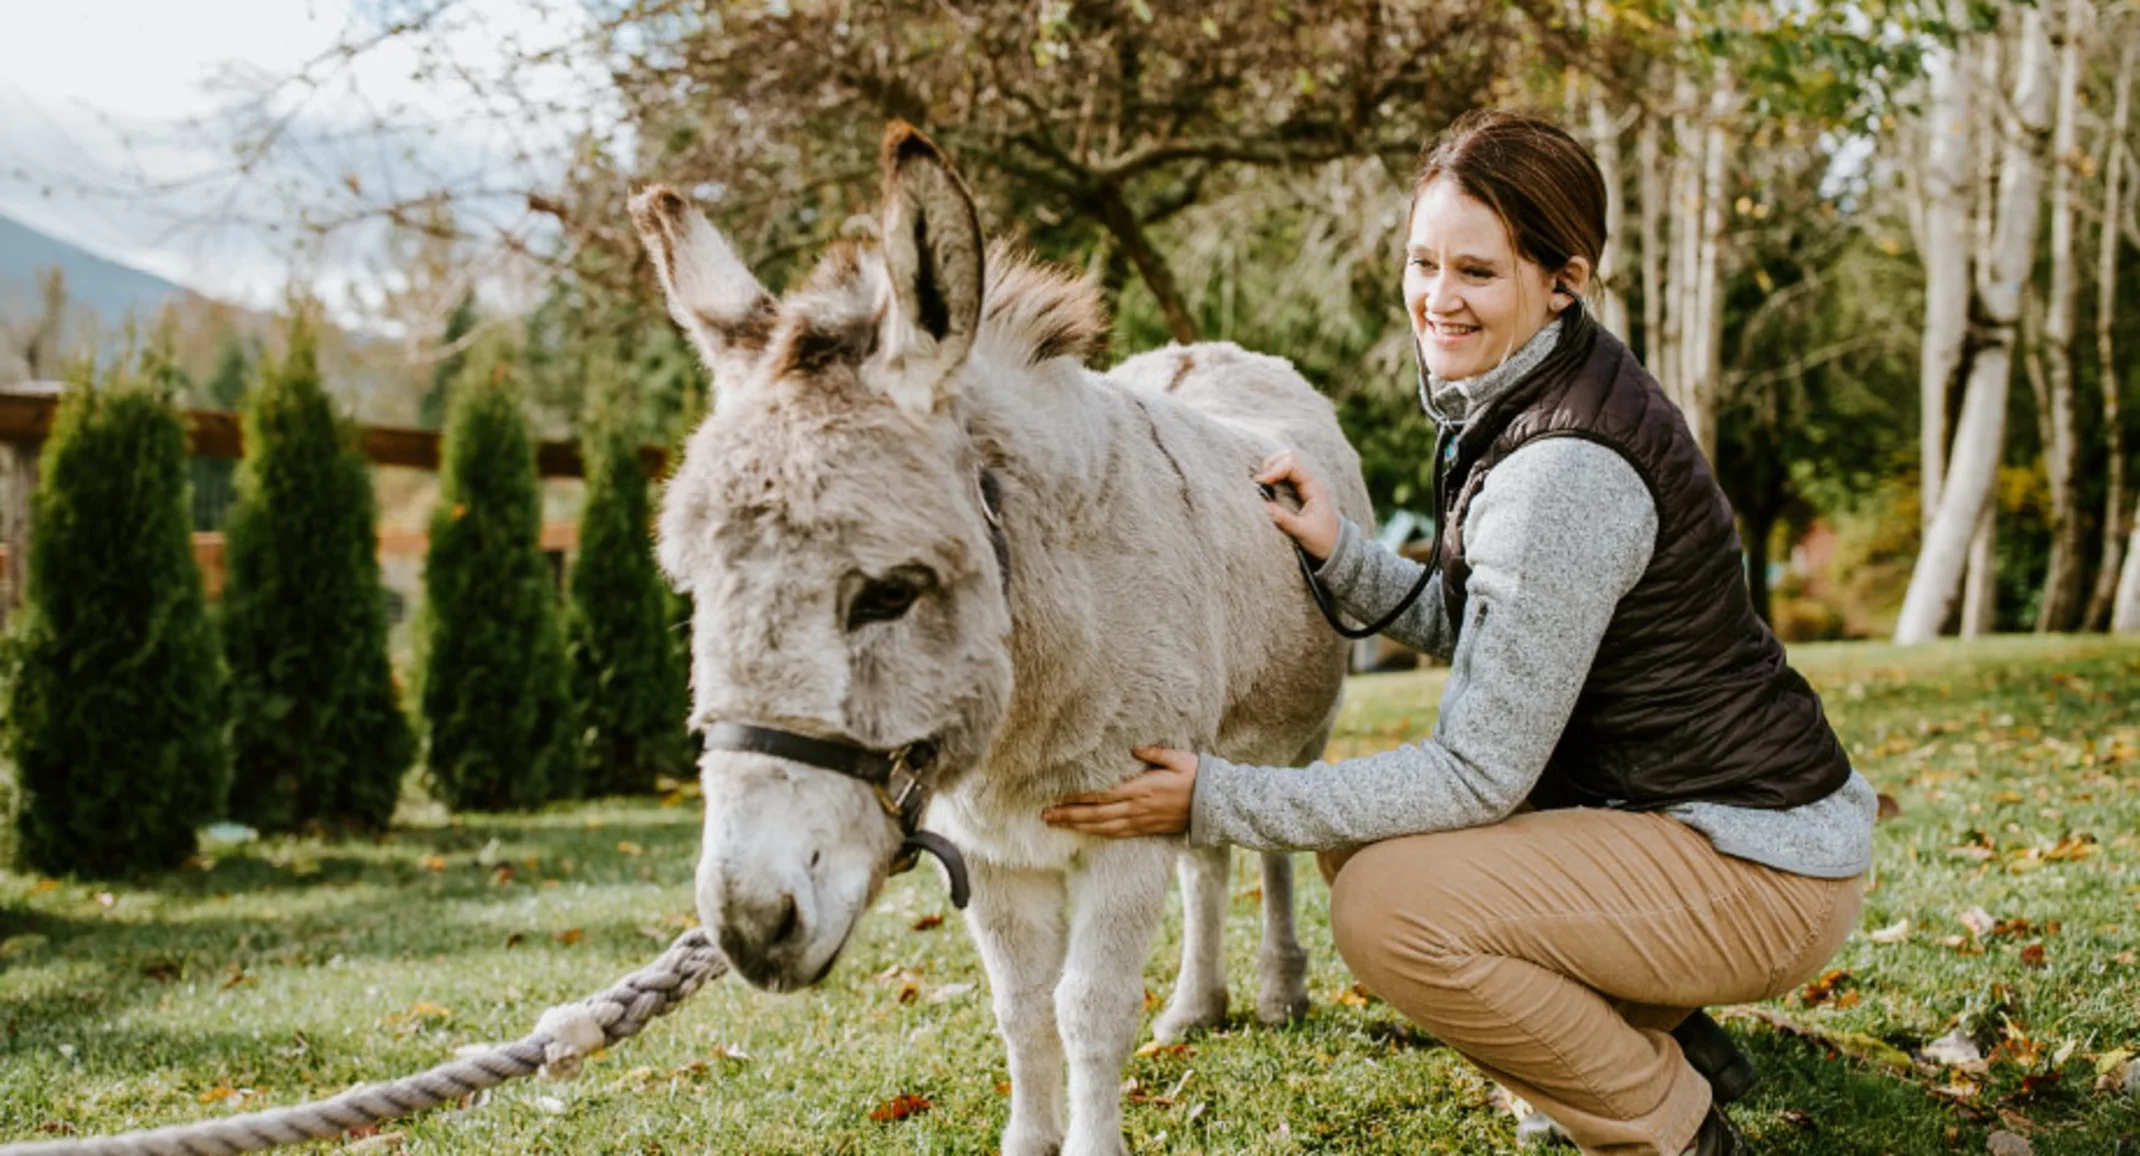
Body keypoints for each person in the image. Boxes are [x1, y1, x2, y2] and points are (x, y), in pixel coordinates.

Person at [1041, 108, 1875, 1156]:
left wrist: (1216, 796)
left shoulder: (1562, 468)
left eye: (1476, 272)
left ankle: (1670, 1120)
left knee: (1390, 910)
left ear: (1561, 278)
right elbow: (1509, 627)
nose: (1437, 298)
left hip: (1753, 862)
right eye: (1421, 261)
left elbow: (1479, 773)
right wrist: (1342, 548)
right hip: (1683, 818)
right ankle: (1641, 1017)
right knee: (1358, 832)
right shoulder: (1539, 387)